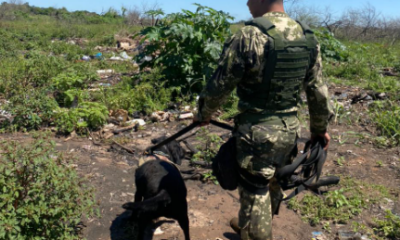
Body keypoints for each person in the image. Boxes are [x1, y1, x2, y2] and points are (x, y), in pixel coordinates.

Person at [193, 0, 334, 239]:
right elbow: (318, 90)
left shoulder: (248, 35)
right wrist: (320, 129)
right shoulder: (307, 36)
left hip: (256, 133)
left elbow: (220, 85)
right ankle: (248, 224)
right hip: (289, 129)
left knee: (255, 188)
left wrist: (203, 114)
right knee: (275, 181)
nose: (247, 3)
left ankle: (256, 232)